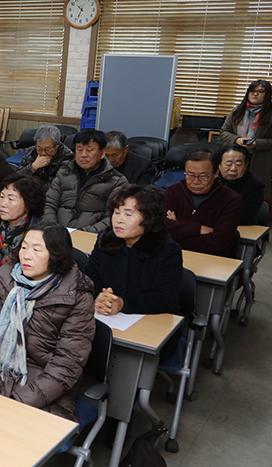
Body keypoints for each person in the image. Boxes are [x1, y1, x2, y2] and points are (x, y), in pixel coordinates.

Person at [0, 221, 95, 422]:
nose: (27, 255)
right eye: (24, 247)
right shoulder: (6, 279)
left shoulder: (77, 296)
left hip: (42, 395)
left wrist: (16, 401)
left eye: (37, 250)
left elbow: (66, 366)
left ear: (56, 256)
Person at [84, 184, 183, 360]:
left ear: (149, 218)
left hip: (149, 328)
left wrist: (123, 303)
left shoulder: (167, 250)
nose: (119, 220)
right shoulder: (106, 239)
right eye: (116, 212)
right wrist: (98, 296)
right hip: (105, 322)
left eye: (128, 214)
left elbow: (165, 298)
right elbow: (89, 279)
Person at [44, 129, 127, 233]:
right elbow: (49, 203)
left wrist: (82, 233)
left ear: (102, 153)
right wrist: (53, 228)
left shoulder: (117, 181)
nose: (83, 155)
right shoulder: (64, 172)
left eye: (89, 150)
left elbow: (112, 217)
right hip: (57, 233)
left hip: (90, 236)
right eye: (79, 150)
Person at [164, 148, 242, 257]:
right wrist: (198, 229)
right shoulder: (172, 192)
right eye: (190, 175)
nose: (196, 182)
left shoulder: (231, 199)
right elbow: (159, 229)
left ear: (216, 173)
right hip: (172, 256)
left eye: (203, 176)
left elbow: (219, 242)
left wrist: (176, 233)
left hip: (212, 260)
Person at [217, 79, 272, 196]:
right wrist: (236, 139)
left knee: (251, 193)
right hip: (235, 155)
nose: (255, 94)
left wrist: (256, 144)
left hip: (257, 159)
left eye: (260, 91)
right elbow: (224, 132)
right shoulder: (237, 111)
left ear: (267, 95)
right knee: (229, 192)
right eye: (252, 90)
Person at [216, 143, 266, 225]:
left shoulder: (255, 185)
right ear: (219, 164)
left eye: (238, 164)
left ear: (246, 165)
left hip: (239, 227)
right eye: (228, 164)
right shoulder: (210, 178)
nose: (233, 169)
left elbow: (245, 216)